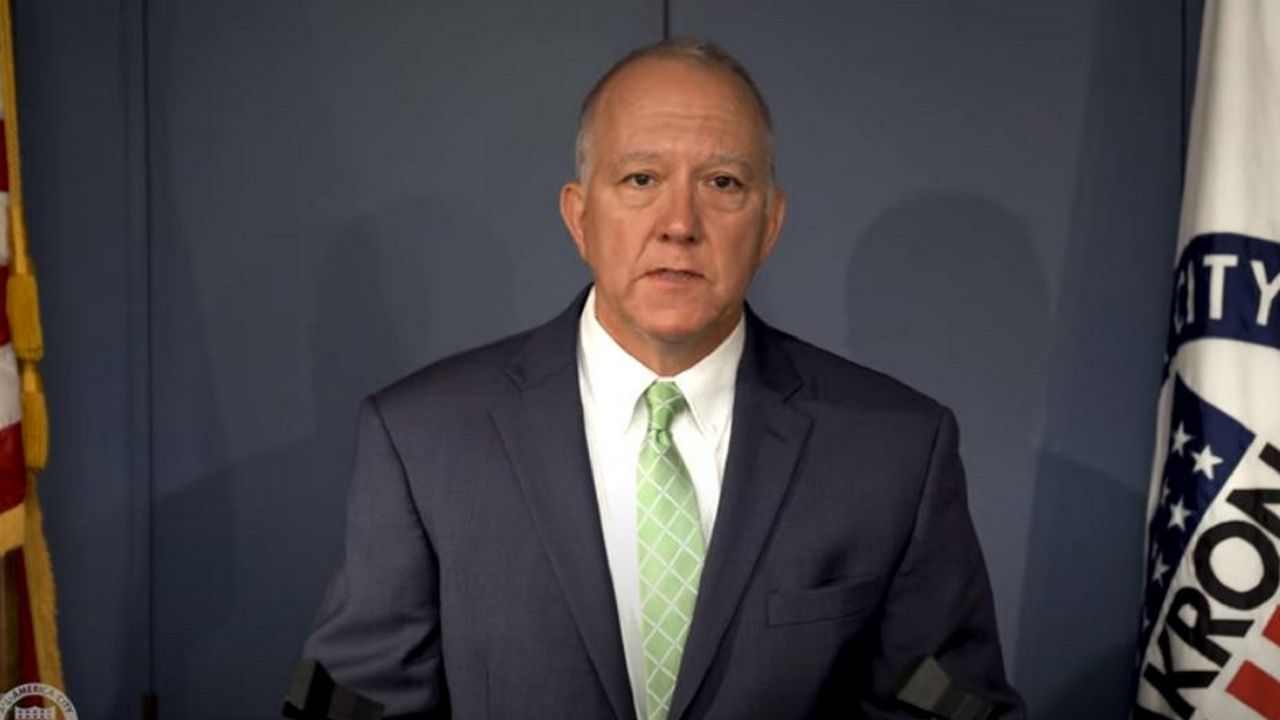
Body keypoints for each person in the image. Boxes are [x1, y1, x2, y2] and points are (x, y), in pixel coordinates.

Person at [296, 38, 1026, 720]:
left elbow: (948, 707)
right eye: (641, 179)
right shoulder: (423, 439)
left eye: (723, 183)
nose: (680, 222)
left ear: (770, 224)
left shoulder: (897, 451)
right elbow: (356, 706)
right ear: (580, 217)